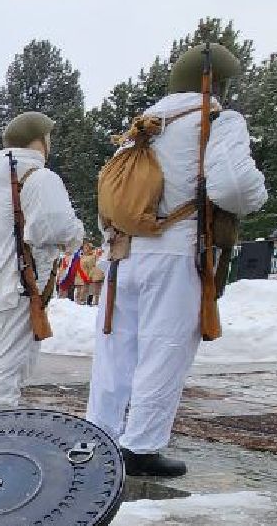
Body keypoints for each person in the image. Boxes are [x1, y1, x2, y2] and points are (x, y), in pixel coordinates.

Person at [87, 43, 267, 478]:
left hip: (123, 250)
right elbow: (233, 186)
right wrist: (259, 195)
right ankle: (141, 446)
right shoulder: (217, 120)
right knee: (163, 348)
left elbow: (109, 198)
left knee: (116, 349)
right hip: (175, 248)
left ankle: (100, 436)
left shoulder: (141, 128)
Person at [0, 112, 84, 418]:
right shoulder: (40, 177)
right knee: (7, 365)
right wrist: (76, 234)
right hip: (19, 283)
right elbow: (54, 230)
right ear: (39, 141)